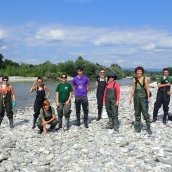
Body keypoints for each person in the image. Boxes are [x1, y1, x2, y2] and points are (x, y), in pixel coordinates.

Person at [129, 66, 152, 134]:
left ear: (142, 72)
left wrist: (148, 97)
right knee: (137, 112)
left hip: (144, 97)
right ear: (136, 72)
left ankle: (148, 128)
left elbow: (147, 89)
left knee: (145, 112)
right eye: (138, 71)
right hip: (136, 98)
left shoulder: (145, 79)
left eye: (140, 71)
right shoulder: (134, 79)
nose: (139, 72)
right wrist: (130, 97)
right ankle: (137, 127)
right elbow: (133, 89)